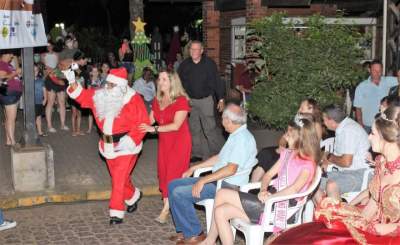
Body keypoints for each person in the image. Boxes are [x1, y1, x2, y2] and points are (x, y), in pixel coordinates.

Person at [271, 106, 400, 245]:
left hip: (390, 235)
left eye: (373, 133)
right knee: (314, 233)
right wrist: (358, 221)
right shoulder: (381, 162)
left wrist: (373, 229)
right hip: (373, 223)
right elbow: (375, 202)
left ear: (387, 138)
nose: (368, 137)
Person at [201, 117, 320, 245]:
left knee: (221, 193)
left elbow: (294, 189)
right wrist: (263, 190)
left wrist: (271, 197)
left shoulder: (307, 165)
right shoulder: (287, 154)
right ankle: (210, 240)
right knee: (220, 211)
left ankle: (209, 240)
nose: (285, 137)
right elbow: (268, 175)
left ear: (301, 140)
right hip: (269, 199)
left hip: (281, 207)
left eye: (289, 135)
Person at [63, 67, 149, 225]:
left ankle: (116, 213)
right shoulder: (101, 95)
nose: (107, 87)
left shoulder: (133, 98)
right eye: (107, 83)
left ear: (121, 86)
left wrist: (131, 139)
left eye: (111, 85)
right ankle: (133, 196)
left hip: (127, 146)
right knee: (121, 179)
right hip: (107, 145)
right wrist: (72, 81)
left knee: (117, 179)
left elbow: (143, 122)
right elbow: (82, 96)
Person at [168, 104, 257, 244]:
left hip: (228, 186)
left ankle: (195, 234)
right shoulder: (236, 135)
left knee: (179, 193)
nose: (221, 122)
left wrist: (203, 180)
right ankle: (184, 230)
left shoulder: (242, 140)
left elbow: (231, 169)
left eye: (222, 118)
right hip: (218, 180)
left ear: (228, 120)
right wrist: (195, 167)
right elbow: (219, 158)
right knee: (173, 185)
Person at [139, 69, 191, 224]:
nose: (160, 82)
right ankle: (168, 205)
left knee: (173, 175)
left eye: (164, 80)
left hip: (179, 142)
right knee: (163, 173)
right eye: (159, 79)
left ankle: (166, 210)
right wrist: (132, 131)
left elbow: (176, 126)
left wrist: (153, 129)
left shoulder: (181, 100)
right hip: (164, 142)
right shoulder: (157, 100)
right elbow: (148, 122)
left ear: (172, 82)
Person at [251, 98, 323, 182]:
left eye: (302, 108)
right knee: (266, 153)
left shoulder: (315, 126)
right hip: (290, 151)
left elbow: (309, 149)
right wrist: (282, 146)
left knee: (272, 159)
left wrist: (289, 150)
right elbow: (283, 139)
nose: (298, 110)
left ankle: (257, 186)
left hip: (299, 156)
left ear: (311, 109)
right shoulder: (299, 122)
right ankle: (254, 185)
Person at [177, 40, 225, 162]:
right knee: (194, 128)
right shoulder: (184, 65)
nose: (193, 51)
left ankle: (215, 153)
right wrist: (182, 97)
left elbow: (217, 81)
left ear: (202, 51)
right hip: (190, 101)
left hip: (206, 100)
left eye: (196, 49)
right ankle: (196, 153)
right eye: (191, 49)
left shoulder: (209, 64)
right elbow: (178, 83)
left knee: (210, 128)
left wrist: (221, 99)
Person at [315, 104, 370, 203]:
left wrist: (329, 156)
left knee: (328, 185)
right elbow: (339, 157)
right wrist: (327, 161)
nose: (323, 123)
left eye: (324, 120)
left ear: (331, 120)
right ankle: (324, 213)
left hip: (360, 174)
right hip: (346, 172)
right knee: (313, 182)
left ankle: (335, 215)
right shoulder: (343, 128)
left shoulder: (348, 131)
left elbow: (346, 162)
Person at [354, 60, 398, 133]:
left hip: (384, 124)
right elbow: (358, 108)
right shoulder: (362, 87)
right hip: (367, 126)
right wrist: (360, 124)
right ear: (369, 70)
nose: (377, 73)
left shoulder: (387, 81)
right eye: (375, 70)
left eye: (379, 70)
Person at [0, 50, 23, 146]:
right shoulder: (1, 64)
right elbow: (2, 79)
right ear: (4, 54)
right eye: (10, 54)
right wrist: (15, 73)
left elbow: (11, 77)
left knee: (9, 118)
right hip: (9, 94)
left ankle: (9, 141)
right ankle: (13, 142)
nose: (12, 56)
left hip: (12, 93)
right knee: (11, 119)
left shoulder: (7, 64)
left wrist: (18, 75)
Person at [86, 65, 103, 133]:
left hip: (99, 99)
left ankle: (99, 128)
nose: (95, 73)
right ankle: (89, 128)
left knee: (99, 114)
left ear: (98, 72)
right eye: (93, 71)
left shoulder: (101, 79)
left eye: (96, 71)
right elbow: (88, 90)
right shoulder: (89, 80)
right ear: (91, 73)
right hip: (92, 98)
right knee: (90, 114)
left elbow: (102, 89)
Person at [34, 64, 47, 137]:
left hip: (39, 102)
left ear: (38, 71)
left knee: (38, 117)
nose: (34, 72)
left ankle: (39, 131)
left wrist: (45, 98)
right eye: (32, 71)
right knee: (32, 117)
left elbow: (44, 90)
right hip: (31, 102)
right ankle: (32, 132)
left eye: (35, 70)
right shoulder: (27, 80)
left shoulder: (41, 80)